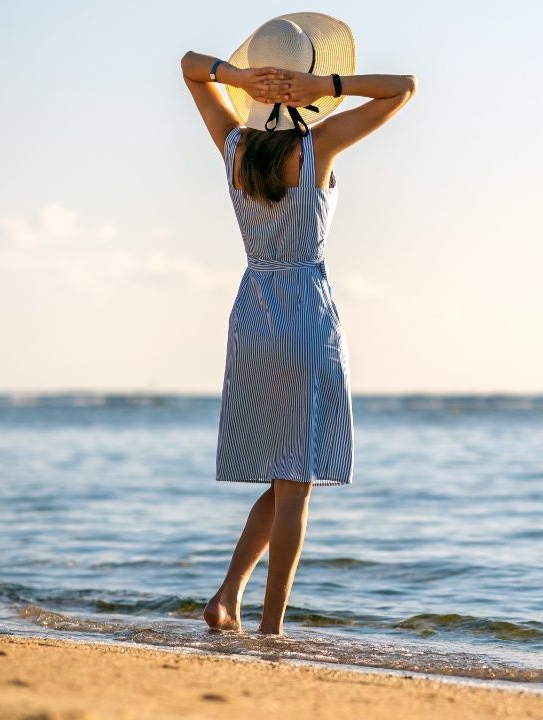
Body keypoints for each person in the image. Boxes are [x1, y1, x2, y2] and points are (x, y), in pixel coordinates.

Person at [179, 15, 416, 635]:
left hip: (253, 313)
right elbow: (404, 88)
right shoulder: (318, 147)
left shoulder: (233, 145)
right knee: (298, 481)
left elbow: (189, 65)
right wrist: (329, 85)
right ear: (303, 77)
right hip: (305, 318)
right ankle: (272, 628)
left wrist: (237, 79)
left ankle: (227, 598)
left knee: (285, 476)